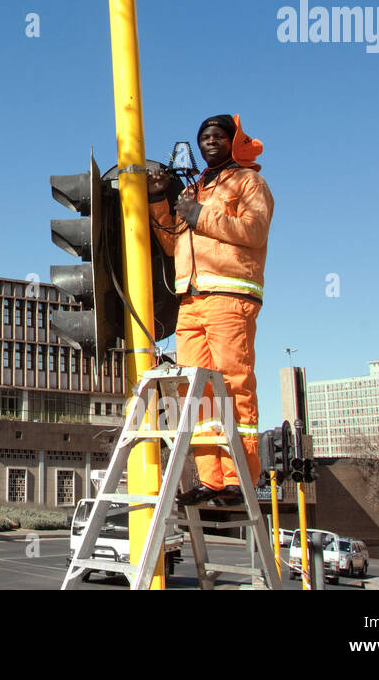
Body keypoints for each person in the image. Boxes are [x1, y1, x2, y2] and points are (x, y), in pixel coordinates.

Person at [147, 114, 274, 508]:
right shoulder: (197, 188)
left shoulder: (249, 182)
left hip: (230, 297)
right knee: (194, 392)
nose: (210, 141)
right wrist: (158, 200)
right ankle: (212, 481)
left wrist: (199, 215)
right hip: (191, 299)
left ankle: (239, 479)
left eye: (218, 135)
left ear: (234, 141)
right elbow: (174, 246)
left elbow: (253, 230)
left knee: (234, 385)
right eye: (204, 136)